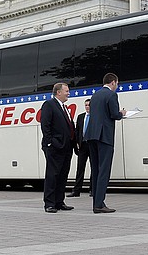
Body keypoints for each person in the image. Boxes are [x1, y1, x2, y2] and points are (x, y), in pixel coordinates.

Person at [83, 73, 126, 214]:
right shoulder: (111, 95)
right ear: (113, 82)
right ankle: (99, 204)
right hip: (104, 136)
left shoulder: (95, 95)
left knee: (95, 169)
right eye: (117, 84)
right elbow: (114, 114)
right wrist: (122, 113)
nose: (117, 87)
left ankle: (96, 201)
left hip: (92, 135)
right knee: (104, 170)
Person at [40, 82, 75, 213]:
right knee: (52, 175)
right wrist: (50, 143)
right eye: (66, 91)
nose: (68, 93)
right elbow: (45, 125)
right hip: (55, 147)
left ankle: (59, 202)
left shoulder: (64, 107)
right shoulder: (49, 105)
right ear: (58, 92)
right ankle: (49, 203)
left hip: (66, 147)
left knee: (62, 175)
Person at [67, 98, 92, 197]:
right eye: (86, 105)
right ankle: (76, 190)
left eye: (89, 105)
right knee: (80, 168)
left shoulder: (96, 116)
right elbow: (77, 131)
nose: (87, 107)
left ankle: (93, 190)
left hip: (92, 145)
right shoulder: (81, 117)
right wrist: (77, 142)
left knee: (94, 168)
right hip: (83, 146)